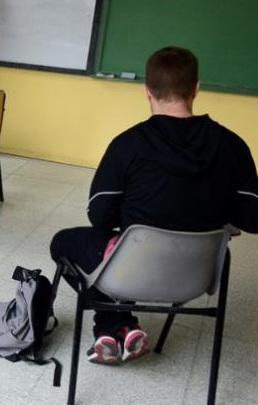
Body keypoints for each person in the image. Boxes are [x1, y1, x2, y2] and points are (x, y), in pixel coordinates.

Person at [49, 47, 258, 365]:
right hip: (197, 276)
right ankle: (119, 325)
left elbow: (100, 217)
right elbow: (253, 219)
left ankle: (114, 322)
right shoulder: (233, 146)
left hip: (132, 267)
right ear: (197, 89)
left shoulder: (127, 145)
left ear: (147, 91)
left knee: (63, 242)